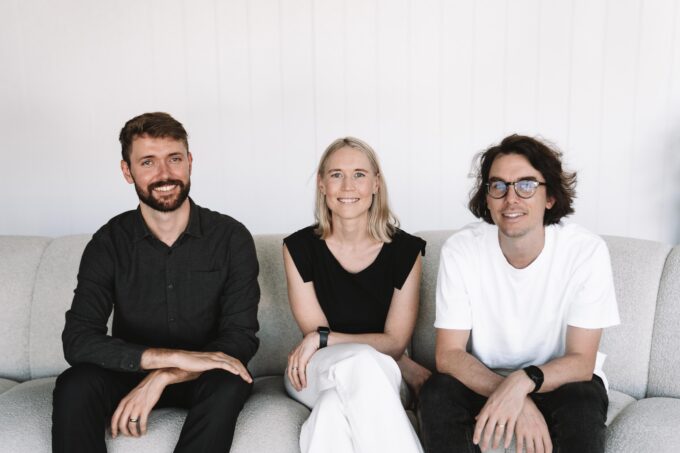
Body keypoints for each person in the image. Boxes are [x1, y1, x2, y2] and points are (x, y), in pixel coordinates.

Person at [52, 112, 260, 453]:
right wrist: (166, 359)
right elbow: (78, 340)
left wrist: (165, 374)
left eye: (174, 159)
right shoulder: (108, 243)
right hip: (129, 372)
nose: (164, 174)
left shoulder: (230, 238)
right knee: (75, 384)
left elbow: (240, 338)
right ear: (127, 171)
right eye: (148, 162)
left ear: (189, 162)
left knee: (229, 381)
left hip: (204, 376)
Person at [418, 134, 620, 453]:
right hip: (484, 377)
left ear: (549, 197)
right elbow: (449, 355)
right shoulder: (461, 250)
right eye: (498, 186)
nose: (511, 198)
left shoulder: (586, 252)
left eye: (526, 185)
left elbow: (582, 362)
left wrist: (524, 382)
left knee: (582, 398)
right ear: (487, 198)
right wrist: (512, 395)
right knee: (437, 392)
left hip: (559, 381)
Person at [283, 137, 429, 453]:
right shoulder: (298, 248)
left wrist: (323, 338)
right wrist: (320, 339)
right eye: (336, 174)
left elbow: (395, 343)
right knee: (360, 363)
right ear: (322, 184)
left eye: (359, 174)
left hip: (382, 370)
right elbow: (316, 336)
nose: (348, 186)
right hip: (313, 369)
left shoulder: (405, 251)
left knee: (332, 410)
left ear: (376, 184)